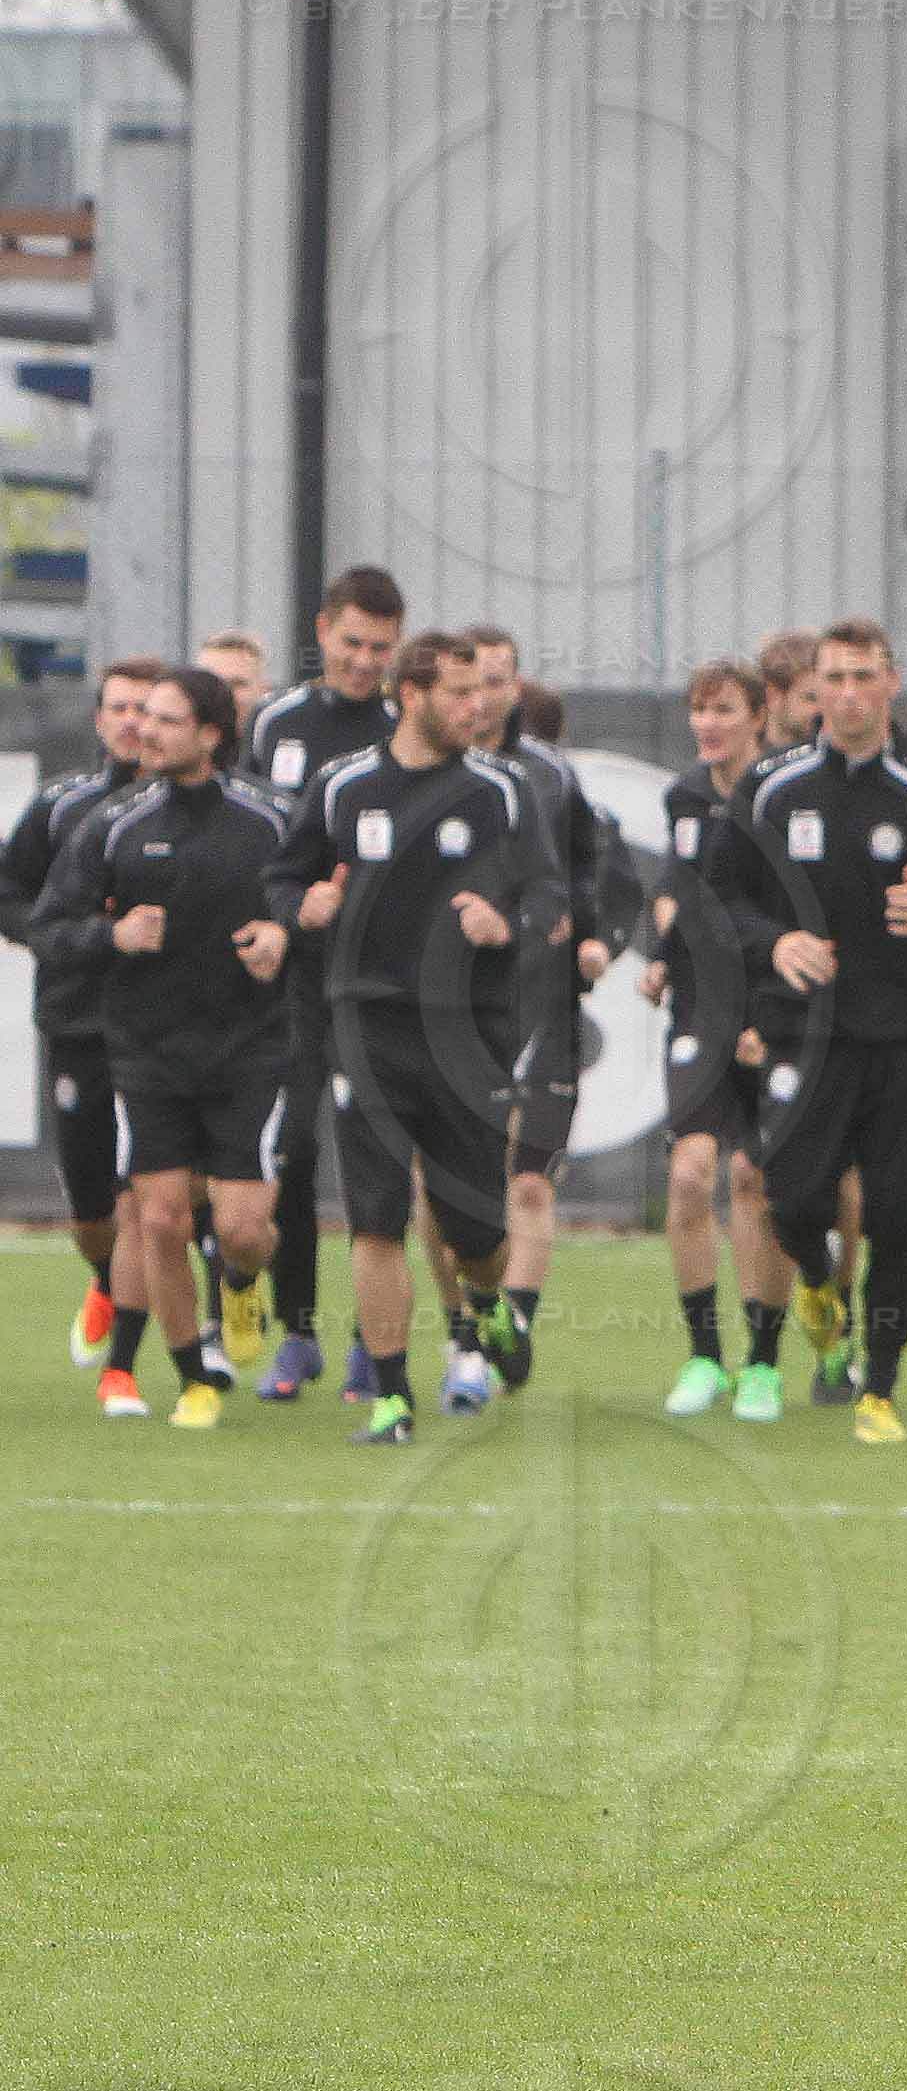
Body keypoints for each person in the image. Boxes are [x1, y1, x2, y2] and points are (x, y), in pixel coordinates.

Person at [704, 618, 907, 1444]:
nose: (846, 695)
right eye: (832, 679)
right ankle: (813, 1278)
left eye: (862, 677)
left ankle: (882, 1384)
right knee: (791, 1197)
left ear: (891, 684)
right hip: (804, 1032)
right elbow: (720, 902)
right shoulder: (771, 788)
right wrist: (779, 943)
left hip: (906, 1035)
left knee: (893, 1214)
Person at [268, 629, 556, 1448]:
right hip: (365, 1024)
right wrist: (300, 909)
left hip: (469, 1033)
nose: (478, 708)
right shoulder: (343, 787)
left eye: (483, 693)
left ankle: (491, 1308)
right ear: (411, 695)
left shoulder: (502, 792)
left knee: (477, 1236)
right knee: (375, 1220)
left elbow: (547, 892)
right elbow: (285, 874)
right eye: (459, 694)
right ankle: (392, 1399)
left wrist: (510, 922)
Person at [36, 664, 287, 1422]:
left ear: (211, 735)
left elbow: (317, 895)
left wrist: (283, 930)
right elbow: (50, 926)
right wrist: (110, 934)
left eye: (167, 719)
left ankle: (241, 1285)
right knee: (162, 1219)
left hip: (249, 1048)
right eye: (142, 716)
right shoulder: (110, 823)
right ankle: (194, 1381)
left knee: (243, 1230)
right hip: (147, 1051)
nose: (146, 730)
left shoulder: (272, 817)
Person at [243, 564, 404, 1400]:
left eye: (380, 648)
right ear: (322, 630)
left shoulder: (405, 727)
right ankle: (296, 1331)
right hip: (298, 980)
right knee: (293, 1152)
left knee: (375, 1162)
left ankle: (370, 1346)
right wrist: (278, 915)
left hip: (383, 983)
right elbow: (252, 833)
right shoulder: (276, 722)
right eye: (351, 644)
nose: (363, 661)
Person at [644, 657, 791, 1418]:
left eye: (724, 709)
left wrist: (768, 1019)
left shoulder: (786, 795)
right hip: (701, 1008)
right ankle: (705, 1356)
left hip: (774, 1006)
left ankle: (763, 1361)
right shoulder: (686, 795)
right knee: (691, 1176)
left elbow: (785, 910)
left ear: (758, 715)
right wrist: (663, 959)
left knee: (755, 1182)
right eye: (699, 708)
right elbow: (689, 887)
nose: (707, 723)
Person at [487, 666, 638, 1399]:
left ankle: (513, 1320)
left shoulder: (568, 798)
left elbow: (614, 887)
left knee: (530, 1182)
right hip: (460, 1016)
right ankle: (464, 1326)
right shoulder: (438, 788)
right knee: (457, 1187)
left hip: (546, 1013)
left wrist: (597, 941)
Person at [7, 662, 150, 1379]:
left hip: (167, 1026)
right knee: (94, 1205)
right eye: (118, 708)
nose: (131, 722)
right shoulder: (60, 807)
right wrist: (67, 936)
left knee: (158, 1194)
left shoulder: (192, 810)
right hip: (77, 1017)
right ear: (99, 720)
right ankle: (103, 1276)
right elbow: (9, 895)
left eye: (144, 709)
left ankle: (137, 1360)